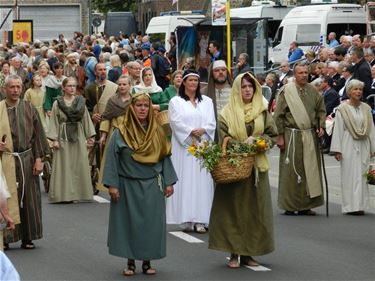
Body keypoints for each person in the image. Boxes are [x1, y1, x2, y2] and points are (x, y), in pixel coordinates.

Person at [103, 92, 177, 276]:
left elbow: (164, 157)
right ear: (132, 108)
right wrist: (112, 185)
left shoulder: (158, 131)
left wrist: (168, 182)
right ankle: (130, 262)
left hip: (152, 185)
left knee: (150, 225)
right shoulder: (120, 131)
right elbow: (111, 159)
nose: (143, 109)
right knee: (128, 224)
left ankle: (147, 261)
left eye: (146, 105)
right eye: (139, 105)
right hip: (127, 184)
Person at [209, 72, 277, 268]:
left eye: (250, 86)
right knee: (233, 211)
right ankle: (234, 253)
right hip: (234, 169)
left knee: (255, 212)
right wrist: (241, 146)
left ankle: (249, 253)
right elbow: (221, 140)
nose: (247, 90)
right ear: (237, 90)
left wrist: (259, 142)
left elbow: (272, 135)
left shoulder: (262, 111)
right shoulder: (226, 113)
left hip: (256, 169)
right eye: (243, 87)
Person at [0, 75, 49, 250]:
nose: (15, 90)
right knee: (7, 197)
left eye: (18, 87)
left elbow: (38, 136)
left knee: (30, 198)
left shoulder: (29, 108)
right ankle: (5, 237)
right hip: (5, 159)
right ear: (4, 89)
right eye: (11, 87)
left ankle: (28, 236)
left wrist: (39, 159)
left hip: (27, 159)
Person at [166, 70, 216, 233]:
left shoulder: (207, 101)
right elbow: (175, 122)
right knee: (186, 181)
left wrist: (203, 130)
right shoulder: (176, 101)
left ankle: (202, 219)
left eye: (196, 80)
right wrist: (190, 133)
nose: (193, 83)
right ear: (184, 83)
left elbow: (211, 122)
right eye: (190, 80)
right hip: (185, 148)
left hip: (203, 147)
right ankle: (186, 217)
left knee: (202, 183)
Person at [273, 62, 326, 216]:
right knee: (291, 172)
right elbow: (279, 116)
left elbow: (321, 111)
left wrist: (320, 126)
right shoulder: (286, 91)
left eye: (306, 72)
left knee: (309, 171)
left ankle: (306, 205)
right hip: (291, 136)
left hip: (309, 136)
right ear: (294, 74)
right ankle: (289, 205)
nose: (304, 75)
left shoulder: (313, 91)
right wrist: (280, 136)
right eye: (300, 73)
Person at [46, 77, 96, 203]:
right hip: (63, 136)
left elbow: (85, 119)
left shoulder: (80, 102)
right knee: (64, 165)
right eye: (69, 86)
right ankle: (63, 195)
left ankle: (78, 193)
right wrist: (55, 140)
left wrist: (90, 136)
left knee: (78, 164)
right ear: (63, 88)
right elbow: (54, 122)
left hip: (78, 135)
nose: (72, 88)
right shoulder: (57, 103)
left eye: (74, 86)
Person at [331, 79, 375, 215]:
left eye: (360, 89)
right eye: (355, 89)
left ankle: (360, 205)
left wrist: (373, 148)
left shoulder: (366, 108)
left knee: (362, 174)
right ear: (349, 92)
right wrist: (337, 150)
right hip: (348, 144)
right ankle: (350, 206)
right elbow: (338, 128)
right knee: (349, 174)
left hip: (363, 144)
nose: (358, 92)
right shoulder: (342, 109)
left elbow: (371, 129)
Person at [97, 75, 132, 192]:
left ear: (129, 85)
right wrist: (103, 135)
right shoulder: (112, 100)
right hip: (114, 132)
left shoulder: (134, 101)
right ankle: (112, 184)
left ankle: (127, 184)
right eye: (120, 84)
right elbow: (106, 117)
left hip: (130, 134)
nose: (122, 87)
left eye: (124, 84)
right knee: (113, 160)